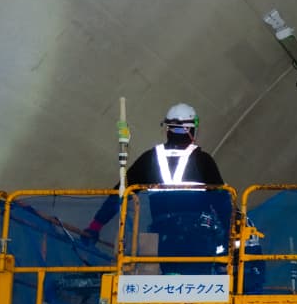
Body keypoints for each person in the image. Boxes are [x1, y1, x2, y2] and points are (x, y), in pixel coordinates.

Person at [85, 103, 225, 240]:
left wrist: (95, 226)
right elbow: (223, 202)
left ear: (167, 128)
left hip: (163, 236)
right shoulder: (203, 160)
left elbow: (120, 194)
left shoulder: (150, 158)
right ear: (192, 129)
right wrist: (237, 238)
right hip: (197, 238)